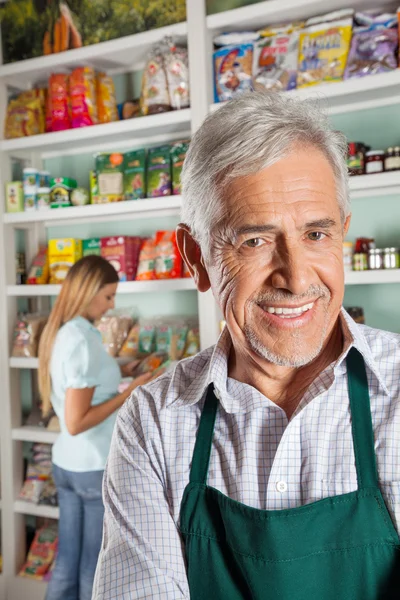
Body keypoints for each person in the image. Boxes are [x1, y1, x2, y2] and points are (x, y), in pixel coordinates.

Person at [93, 91, 400, 599]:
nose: (296, 278)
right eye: (254, 240)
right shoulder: (154, 423)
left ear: (342, 234)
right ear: (195, 257)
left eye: (317, 234)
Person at [38, 255, 152, 600]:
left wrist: (123, 370)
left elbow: (84, 384)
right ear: (88, 292)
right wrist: (130, 392)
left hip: (68, 465)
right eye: (108, 296)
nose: (111, 305)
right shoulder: (82, 341)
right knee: (93, 566)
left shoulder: (66, 332)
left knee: (67, 561)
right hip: (92, 466)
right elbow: (77, 422)